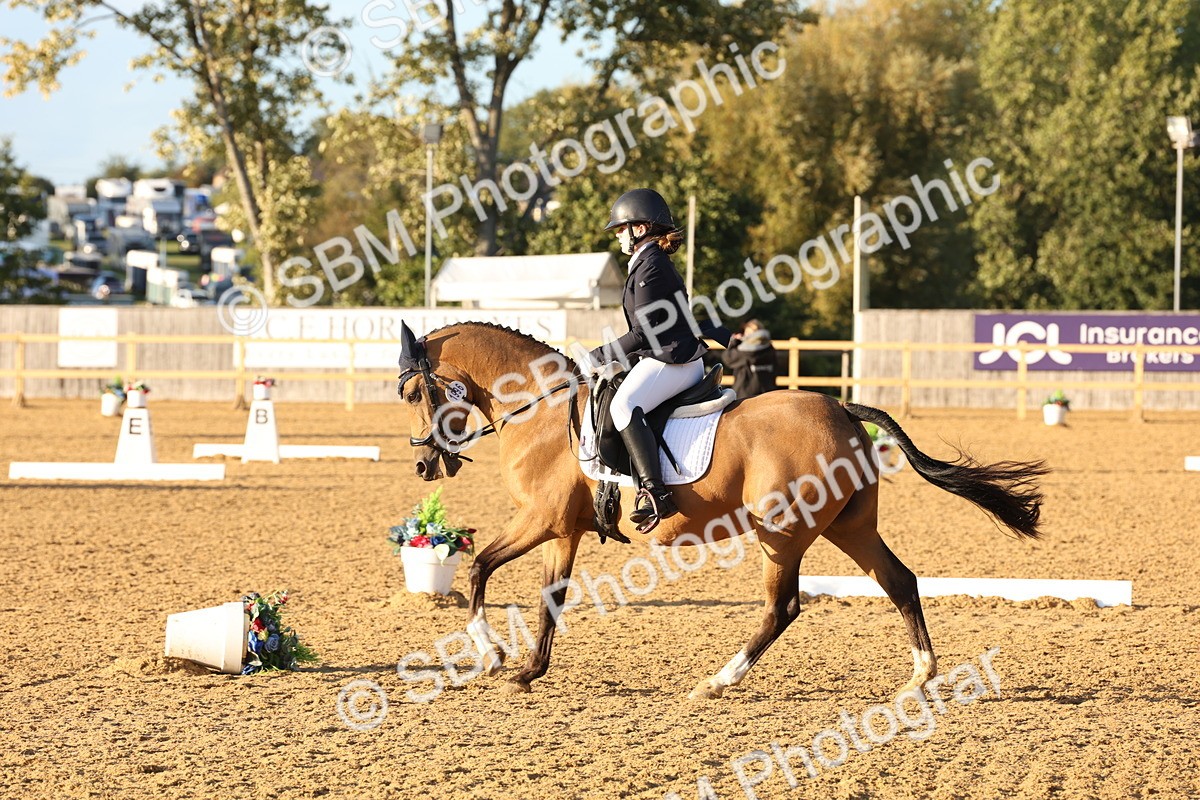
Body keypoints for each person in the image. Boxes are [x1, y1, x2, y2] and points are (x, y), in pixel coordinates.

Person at [588, 188, 731, 527]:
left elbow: (641, 333)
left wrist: (596, 355)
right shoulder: (647, 263)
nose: (619, 236)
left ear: (641, 229)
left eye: (622, 228)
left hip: (672, 360)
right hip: (667, 356)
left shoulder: (651, 266)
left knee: (623, 407)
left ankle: (655, 493)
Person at [720, 319, 776, 398]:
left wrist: (734, 342)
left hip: (745, 394)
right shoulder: (770, 348)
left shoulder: (744, 352)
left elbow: (727, 358)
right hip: (768, 393)